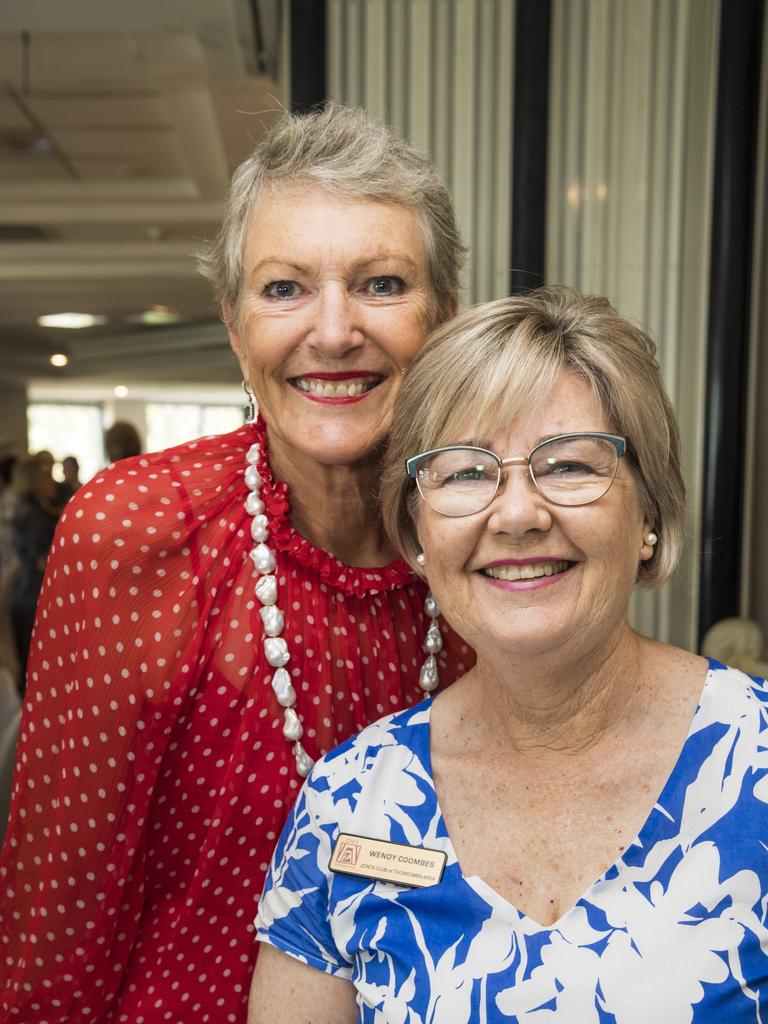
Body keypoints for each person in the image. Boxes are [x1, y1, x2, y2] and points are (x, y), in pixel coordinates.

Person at [0, 103, 473, 1022]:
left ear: (443, 317)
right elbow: (53, 920)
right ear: (232, 325)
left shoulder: (483, 536)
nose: (334, 332)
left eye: (380, 284)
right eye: (285, 289)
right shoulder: (136, 533)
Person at [252, 288, 768, 1022]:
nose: (519, 514)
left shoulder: (759, 765)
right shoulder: (348, 803)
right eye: (464, 472)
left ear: (649, 511)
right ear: (419, 533)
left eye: (569, 466)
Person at [8, 456, 58, 681]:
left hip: (26, 592)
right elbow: (44, 560)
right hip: (33, 596)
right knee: (37, 668)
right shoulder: (34, 516)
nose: (52, 482)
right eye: (46, 476)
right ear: (33, 481)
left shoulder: (30, 509)